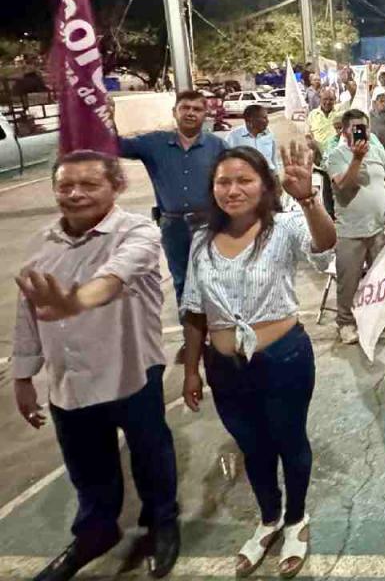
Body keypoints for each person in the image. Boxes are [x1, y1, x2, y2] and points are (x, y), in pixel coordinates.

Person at [13, 150, 179, 581]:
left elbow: (116, 276)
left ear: (116, 187)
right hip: (68, 378)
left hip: (131, 370)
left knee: (150, 454)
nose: (75, 194)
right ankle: (96, 532)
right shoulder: (41, 242)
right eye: (65, 186)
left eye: (89, 184)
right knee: (87, 465)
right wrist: (23, 375)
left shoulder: (137, 232)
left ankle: (161, 523)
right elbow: (27, 310)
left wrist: (75, 301)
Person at [181, 144, 336, 578]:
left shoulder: (284, 227)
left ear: (265, 186)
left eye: (244, 180)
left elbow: (325, 246)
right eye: (224, 181)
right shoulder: (201, 241)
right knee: (252, 446)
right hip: (224, 367)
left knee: (290, 441)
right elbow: (194, 310)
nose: (233, 189)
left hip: (283, 358)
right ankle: (268, 519)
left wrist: (308, 200)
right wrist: (192, 369)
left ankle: (297, 520)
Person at [118, 90, 227, 310]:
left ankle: (218, 334)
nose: (190, 113)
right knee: (182, 282)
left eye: (197, 109)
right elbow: (114, 146)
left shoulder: (218, 147)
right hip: (173, 226)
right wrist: (105, 116)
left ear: (205, 114)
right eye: (185, 108)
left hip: (210, 224)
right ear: (174, 112)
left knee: (216, 281)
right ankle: (192, 340)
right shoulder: (153, 143)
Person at [326, 109, 385, 344]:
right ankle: (345, 323)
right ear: (345, 130)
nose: (362, 132)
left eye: (365, 127)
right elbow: (344, 186)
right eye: (356, 127)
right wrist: (356, 159)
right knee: (349, 281)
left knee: (381, 277)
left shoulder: (377, 151)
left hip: (379, 227)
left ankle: (381, 315)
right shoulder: (336, 155)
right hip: (350, 231)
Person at [306, 87, 351, 216]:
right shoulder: (312, 115)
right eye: (325, 99)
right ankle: (331, 221)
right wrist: (311, 146)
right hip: (322, 162)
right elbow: (308, 134)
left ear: (335, 99)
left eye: (331, 99)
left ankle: (344, 217)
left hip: (341, 161)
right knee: (327, 194)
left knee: (342, 192)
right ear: (320, 99)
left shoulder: (342, 112)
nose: (328, 102)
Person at [226, 104, 278, 173]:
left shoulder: (269, 134)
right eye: (264, 118)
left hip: (268, 176)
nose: (267, 121)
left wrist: (276, 176)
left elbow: (273, 159)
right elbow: (227, 161)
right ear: (250, 119)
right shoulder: (233, 137)